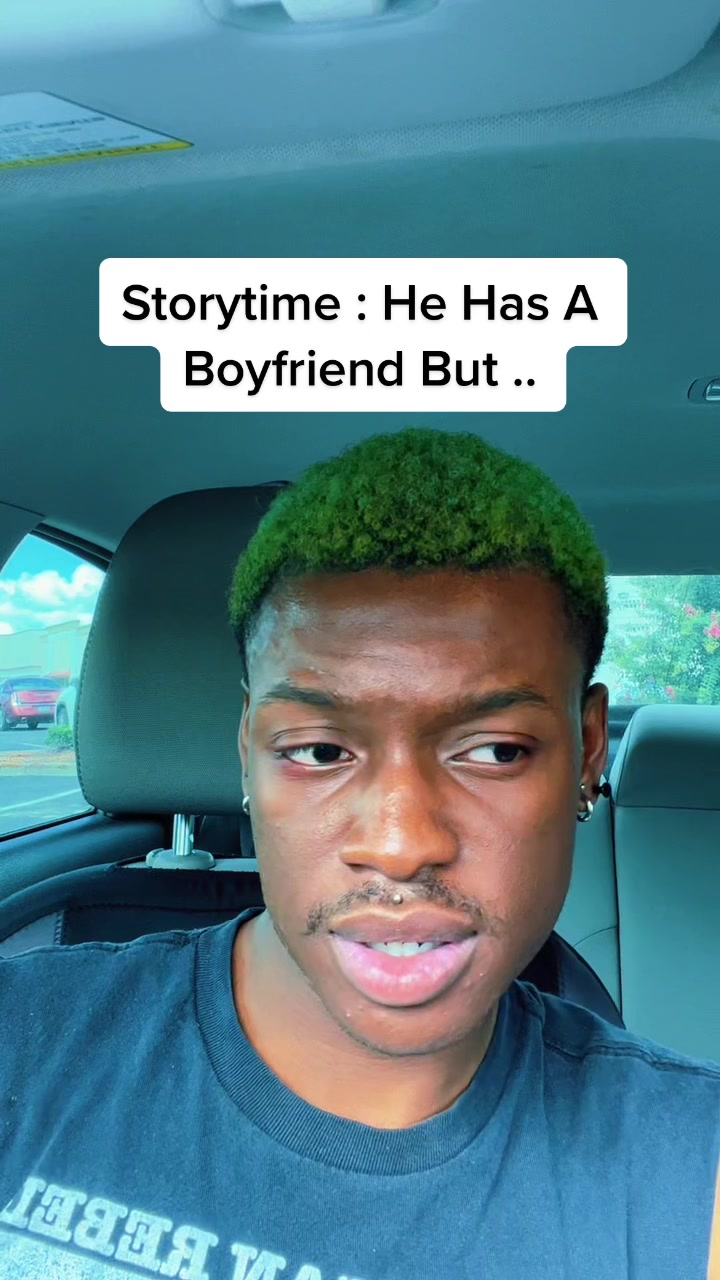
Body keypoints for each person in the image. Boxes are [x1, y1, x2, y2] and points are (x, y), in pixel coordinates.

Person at [1, 427, 719, 1280]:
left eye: (496, 750)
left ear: (589, 750)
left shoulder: (690, 1166)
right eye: (317, 750)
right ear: (247, 749)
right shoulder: (22, 1041)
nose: (400, 845)